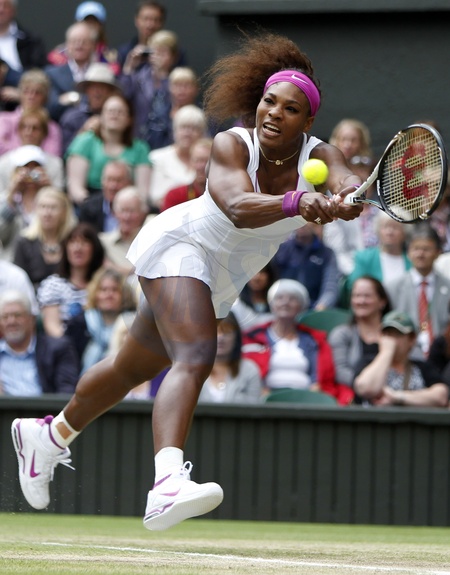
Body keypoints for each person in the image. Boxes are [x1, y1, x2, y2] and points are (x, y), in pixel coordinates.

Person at [10, 31, 362, 529]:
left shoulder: (321, 155)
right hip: (183, 245)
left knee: (129, 368)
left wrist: (348, 198)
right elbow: (237, 205)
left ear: (308, 122)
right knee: (196, 354)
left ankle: (49, 436)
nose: (274, 114)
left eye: (290, 109)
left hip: (223, 274)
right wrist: (298, 201)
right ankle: (167, 484)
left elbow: (346, 180)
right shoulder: (230, 143)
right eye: (269, 101)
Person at [242, 279, 336, 396]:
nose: (285, 303)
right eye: (279, 298)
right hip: (265, 397)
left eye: (292, 299)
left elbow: (318, 378)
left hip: (304, 398)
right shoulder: (253, 337)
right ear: (272, 305)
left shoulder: (312, 340)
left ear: (300, 307)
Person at [66, 93, 151, 206]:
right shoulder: (84, 142)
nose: (114, 115)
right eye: (110, 111)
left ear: (129, 119)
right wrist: (91, 207)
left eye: (120, 112)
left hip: (128, 205)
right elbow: (76, 187)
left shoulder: (140, 148)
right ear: (101, 116)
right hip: (90, 202)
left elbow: (142, 191)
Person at [353, 310, 449, 407]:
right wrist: (387, 352)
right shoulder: (367, 362)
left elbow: (441, 396)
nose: (391, 340)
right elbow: (365, 388)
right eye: (387, 334)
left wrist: (397, 397)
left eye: (397, 335)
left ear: (411, 339)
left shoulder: (422, 367)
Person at [385, 222, 450, 359]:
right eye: (416, 249)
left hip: (442, 357)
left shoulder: (448, 286)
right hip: (405, 357)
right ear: (408, 252)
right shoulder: (392, 288)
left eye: (426, 249)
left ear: (438, 253)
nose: (420, 254)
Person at [0, 289, 79, 396]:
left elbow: (66, 393)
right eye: (5, 317)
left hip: (46, 406)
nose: (11, 322)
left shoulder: (58, 349)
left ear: (31, 319)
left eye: (17, 315)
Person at [37, 222, 105, 338]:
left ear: (94, 248)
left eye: (84, 242)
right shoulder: (53, 285)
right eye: (73, 242)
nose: (78, 248)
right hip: (66, 344)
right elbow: (52, 327)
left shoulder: (104, 284)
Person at [328, 275, 392, 396]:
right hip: (356, 397)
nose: (361, 301)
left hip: (392, 394)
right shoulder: (341, 334)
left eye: (367, 296)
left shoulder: (394, 333)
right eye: (356, 296)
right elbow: (340, 372)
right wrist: (365, 386)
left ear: (382, 301)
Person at [65, 267, 137, 374]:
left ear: (124, 295)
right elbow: (68, 364)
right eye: (103, 290)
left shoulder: (133, 324)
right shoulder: (79, 324)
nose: (109, 295)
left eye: (115, 290)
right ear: (95, 294)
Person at [119, 29, 179, 151]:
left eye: (163, 52)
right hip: (139, 138)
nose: (158, 56)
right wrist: (129, 67)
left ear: (173, 57)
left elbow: (175, 103)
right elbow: (123, 96)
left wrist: (162, 76)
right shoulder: (139, 78)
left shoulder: (177, 80)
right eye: (155, 51)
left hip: (166, 141)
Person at [13, 186, 77, 288]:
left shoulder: (73, 241)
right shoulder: (24, 242)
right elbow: (18, 279)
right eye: (43, 207)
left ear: (64, 212)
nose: (47, 213)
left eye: (53, 207)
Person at [148, 104, 207, 210]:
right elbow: (155, 197)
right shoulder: (157, 158)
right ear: (174, 131)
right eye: (183, 127)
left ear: (202, 134)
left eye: (194, 128)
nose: (187, 133)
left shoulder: (208, 160)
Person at [0, 144, 53, 259]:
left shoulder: (52, 199)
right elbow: (1, 234)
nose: (30, 174)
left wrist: (50, 190)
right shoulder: (6, 199)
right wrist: (12, 193)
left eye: (35, 168)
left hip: (43, 261)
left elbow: (64, 227)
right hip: (12, 261)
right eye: (25, 168)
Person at [198, 311, 263, 404]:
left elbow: (254, 408)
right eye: (215, 332)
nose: (220, 337)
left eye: (226, 332)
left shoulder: (249, 369)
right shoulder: (193, 369)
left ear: (236, 337)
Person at [272, 222, 340, 310]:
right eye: (298, 218)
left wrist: (321, 307)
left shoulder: (327, 253)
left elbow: (330, 287)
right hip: (283, 307)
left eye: (305, 219)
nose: (301, 223)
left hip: (313, 309)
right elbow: (271, 281)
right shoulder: (282, 250)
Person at [59, 62, 121, 154]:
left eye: (102, 87)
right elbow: (65, 154)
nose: (97, 91)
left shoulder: (119, 118)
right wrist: (83, 131)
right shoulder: (72, 118)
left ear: (110, 91)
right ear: (86, 90)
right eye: (93, 87)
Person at [0, 69, 62, 156]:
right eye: (26, 91)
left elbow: (53, 155)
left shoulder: (52, 127)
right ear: (20, 94)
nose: (31, 96)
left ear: (45, 97)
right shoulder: (4, 119)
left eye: (37, 93)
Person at [0, 112, 64, 194]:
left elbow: (61, 197)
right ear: (18, 131)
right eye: (24, 127)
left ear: (44, 133)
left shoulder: (56, 163)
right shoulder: (3, 162)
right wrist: (13, 190)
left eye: (35, 128)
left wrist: (49, 187)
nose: (29, 132)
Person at [44, 22, 97, 122]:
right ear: (67, 45)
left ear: (93, 45)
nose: (79, 45)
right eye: (75, 41)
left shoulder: (100, 73)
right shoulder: (52, 74)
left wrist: (69, 98)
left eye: (84, 42)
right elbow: (51, 107)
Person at [47, 2, 119, 75]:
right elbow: (53, 58)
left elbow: (113, 70)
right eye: (86, 21)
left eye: (94, 22)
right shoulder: (62, 52)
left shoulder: (108, 54)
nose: (90, 25)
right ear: (77, 23)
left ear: (101, 26)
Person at [346, 211, 412, 289]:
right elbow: (353, 288)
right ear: (378, 230)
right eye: (385, 227)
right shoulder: (364, 258)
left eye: (395, 227)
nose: (389, 232)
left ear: (405, 233)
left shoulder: (412, 260)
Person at [0, 0, 47, 107]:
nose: (1, 10)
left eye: (5, 6)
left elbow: (39, 72)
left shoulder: (31, 40)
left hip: (27, 99)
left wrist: (22, 93)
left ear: (13, 10)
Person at [99, 185, 148, 276]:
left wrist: (114, 268)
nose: (127, 217)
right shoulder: (103, 242)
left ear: (143, 213)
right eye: (122, 211)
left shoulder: (150, 241)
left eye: (132, 211)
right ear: (114, 213)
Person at [78, 159, 133, 233]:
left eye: (118, 180)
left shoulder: (139, 209)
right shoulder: (88, 208)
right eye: (109, 180)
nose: (113, 186)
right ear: (102, 181)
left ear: (129, 183)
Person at [161, 137, 212, 211]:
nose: (201, 166)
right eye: (197, 160)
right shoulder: (176, 195)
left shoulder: (224, 196)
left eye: (207, 161)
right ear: (191, 162)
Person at [116, 0, 166, 70]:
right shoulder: (124, 52)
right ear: (137, 20)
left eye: (155, 20)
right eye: (146, 19)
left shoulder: (174, 54)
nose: (150, 25)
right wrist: (129, 67)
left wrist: (165, 69)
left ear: (162, 23)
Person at [231, 263, 277, 331]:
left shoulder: (279, 303)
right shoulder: (236, 305)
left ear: (269, 275)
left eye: (262, 272)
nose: (257, 277)